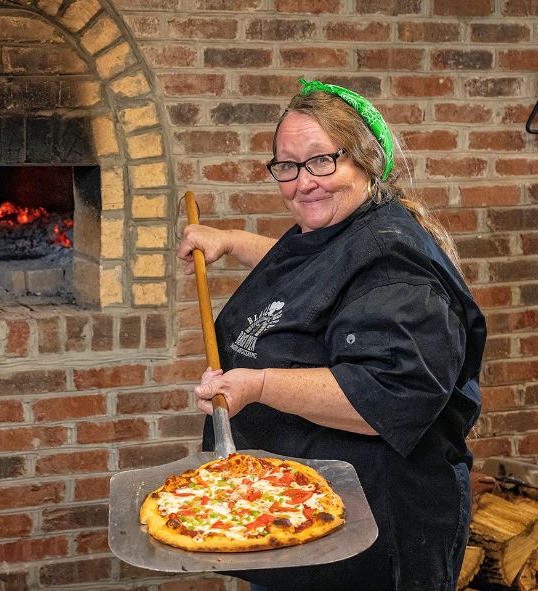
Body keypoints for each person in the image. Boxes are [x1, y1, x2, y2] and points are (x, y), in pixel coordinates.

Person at [177, 79, 486, 591]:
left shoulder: (396, 264)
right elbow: (323, 274)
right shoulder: (346, 229)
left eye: (322, 161)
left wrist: (256, 386)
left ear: (366, 160)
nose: (303, 183)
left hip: (372, 536)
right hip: (307, 518)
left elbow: (387, 397)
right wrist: (230, 241)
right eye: (287, 166)